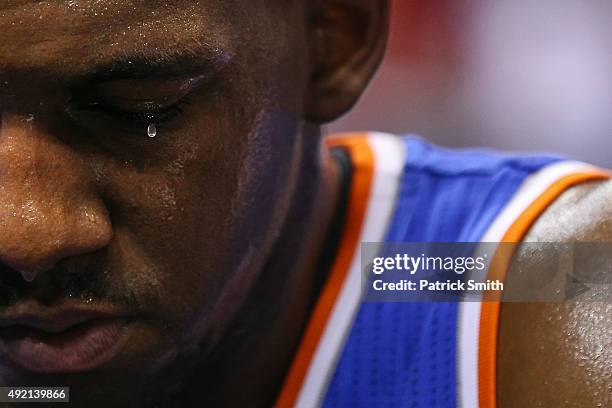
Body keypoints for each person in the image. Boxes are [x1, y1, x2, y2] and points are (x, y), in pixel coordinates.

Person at [0, 1, 609, 407]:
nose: (24, 234)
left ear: (332, 39)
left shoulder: (505, 275)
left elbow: (571, 282)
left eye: (140, 111)